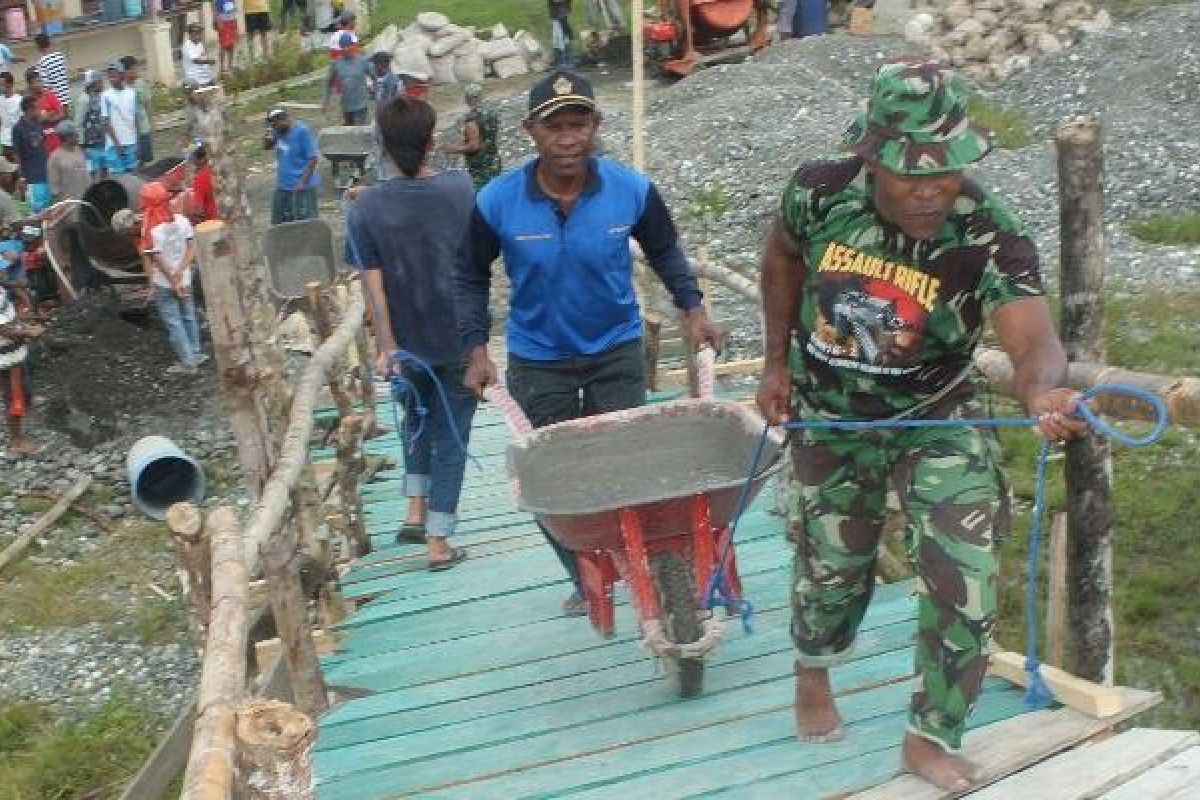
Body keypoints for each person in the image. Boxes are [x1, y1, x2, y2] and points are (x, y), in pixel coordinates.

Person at [754, 60, 1088, 792]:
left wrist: (1042, 394)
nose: (933, 187)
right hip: (829, 415)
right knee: (830, 573)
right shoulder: (819, 192)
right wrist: (775, 363)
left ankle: (931, 733)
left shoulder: (988, 232)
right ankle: (814, 664)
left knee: (966, 570)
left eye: (948, 170)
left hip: (934, 414)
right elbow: (779, 255)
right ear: (871, 157)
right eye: (911, 174)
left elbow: (1034, 338)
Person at [456, 70, 724, 615]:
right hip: (538, 358)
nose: (568, 139)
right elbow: (468, 275)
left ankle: (651, 565)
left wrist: (693, 310)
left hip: (615, 350)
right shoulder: (497, 201)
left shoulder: (631, 191)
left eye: (579, 124)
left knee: (630, 466)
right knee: (552, 477)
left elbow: (667, 252)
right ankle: (587, 575)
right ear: (532, 131)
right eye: (555, 127)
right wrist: (476, 348)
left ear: (596, 126)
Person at [347, 95, 477, 570]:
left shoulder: (366, 210)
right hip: (460, 334)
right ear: (431, 141)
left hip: (406, 343)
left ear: (381, 143)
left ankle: (414, 511)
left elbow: (372, 286)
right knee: (453, 434)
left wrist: (387, 346)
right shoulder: (461, 189)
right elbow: (478, 264)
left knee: (417, 421)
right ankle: (439, 541)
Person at [139, 182, 204, 374]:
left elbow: (156, 258)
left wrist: (172, 280)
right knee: (189, 315)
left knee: (174, 321)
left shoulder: (151, 229)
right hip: (185, 278)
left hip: (165, 283)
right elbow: (192, 247)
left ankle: (188, 363)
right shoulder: (182, 221)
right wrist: (181, 271)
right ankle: (196, 353)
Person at [0, 283, 43, 456]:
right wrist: (28, 331)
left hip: (13, 351)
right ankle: (17, 441)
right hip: (5, 356)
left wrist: (23, 321)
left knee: (22, 380)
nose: (3, 271)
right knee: (12, 394)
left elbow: (8, 316)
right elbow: (4, 330)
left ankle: (28, 401)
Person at [438, 83, 500, 191]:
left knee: (480, 196)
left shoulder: (472, 118)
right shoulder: (491, 112)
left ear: (467, 99)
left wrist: (452, 149)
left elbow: (474, 146)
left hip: (481, 168)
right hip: (494, 161)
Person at [263, 108, 319, 224]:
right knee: (281, 222)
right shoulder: (277, 130)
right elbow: (267, 146)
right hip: (283, 185)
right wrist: (267, 139)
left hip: (302, 187)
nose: (275, 129)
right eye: (272, 126)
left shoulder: (302, 131)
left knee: (305, 222)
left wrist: (302, 182)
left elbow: (313, 158)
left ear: (285, 119)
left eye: (276, 126)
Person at [11, 96, 51, 213]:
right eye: (37, 108)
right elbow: (16, 154)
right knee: (37, 212)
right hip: (32, 179)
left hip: (46, 174)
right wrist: (21, 177)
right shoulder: (18, 129)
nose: (39, 110)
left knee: (49, 209)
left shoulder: (37, 123)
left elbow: (42, 143)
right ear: (29, 109)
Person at [323, 32, 371, 126]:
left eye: (348, 46)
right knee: (348, 130)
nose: (346, 49)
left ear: (352, 46)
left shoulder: (362, 61)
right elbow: (328, 83)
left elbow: (375, 76)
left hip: (361, 104)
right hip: (346, 105)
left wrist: (377, 91)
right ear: (340, 48)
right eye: (343, 47)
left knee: (358, 131)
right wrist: (326, 100)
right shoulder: (336, 63)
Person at [101, 61, 139, 175]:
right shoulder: (106, 95)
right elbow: (106, 121)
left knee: (133, 175)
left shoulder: (132, 93)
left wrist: (138, 142)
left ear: (122, 75)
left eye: (114, 75)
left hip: (131, 141)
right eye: (109, 76)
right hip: (114, 145)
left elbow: (135, 118)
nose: (111, 78)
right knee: (118, 177)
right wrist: (117, 143)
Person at [47, 120, 91, 206]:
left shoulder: (79, 151)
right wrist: (63, 205)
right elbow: (55, 188)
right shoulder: (55, 158)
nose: (78, 136)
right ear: (67, 137)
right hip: (69, 206)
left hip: (85, 201)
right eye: (75, 135)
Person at [120, 56, 154, 166]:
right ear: (126, 71)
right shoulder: (120, 88)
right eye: (135, 68)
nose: (138, 71)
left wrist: (152, 125)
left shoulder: (141, 84)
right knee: (133, 162)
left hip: (143, 128)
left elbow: (148, 104)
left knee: (144, 160)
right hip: (128, 132)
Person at [73, 70, 107, 177]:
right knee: (92, 171)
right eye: (100, 82)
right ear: (93, 84)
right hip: (90, 144)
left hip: (103, 140)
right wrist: (81, 144)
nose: (103, 84)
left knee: (104, 168)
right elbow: (78, 123)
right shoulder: (84, 99)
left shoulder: (101, 96)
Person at [26, 67, 64, 155]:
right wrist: (49, 114)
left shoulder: (50, 96)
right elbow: (29, 120)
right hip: (40, 141)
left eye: (40, 81)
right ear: (30, 85)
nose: (40, 84)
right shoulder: (29, 101)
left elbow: (61, 113)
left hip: (55, 137)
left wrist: (49, 119)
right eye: (36, 82)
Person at [33, 33, 70, 109]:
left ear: (38, 47)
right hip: (66, 96)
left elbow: (46, 86)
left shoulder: (42, 62)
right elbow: (65, 75)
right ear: (49, 43)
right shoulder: (60, 56)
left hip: (54, 101)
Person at [182, 22, 217, 88]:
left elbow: (203, 57)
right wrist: (209, 61)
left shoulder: (199, 44)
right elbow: (196, 61)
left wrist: (209, 68)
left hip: (202, 74)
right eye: (196, 33)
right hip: (192, 75)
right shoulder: (187, 45)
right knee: (197, 89)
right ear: (190, 34)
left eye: (200, 33)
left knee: (214, 84)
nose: (199, 35)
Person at [0, 73, 22, 160]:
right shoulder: (0, 99)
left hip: (17, 142)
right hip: (4, 142)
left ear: (9, 84)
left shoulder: (19, 100)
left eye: (1, 84)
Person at [214, 0, 240, 74]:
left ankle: (230, 65)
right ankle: (222, 67)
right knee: (223, 45)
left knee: (232, 44)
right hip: (222, 20)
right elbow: (214, 6)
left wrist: (235, 18)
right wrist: (217, 20)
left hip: (231, 19)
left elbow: (233, 4)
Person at [549, 0, 574, 68]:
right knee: (557, 39)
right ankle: (559, 60)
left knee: (562, 38)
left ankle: (566, 61)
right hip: (557, 14)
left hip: (562, 14)